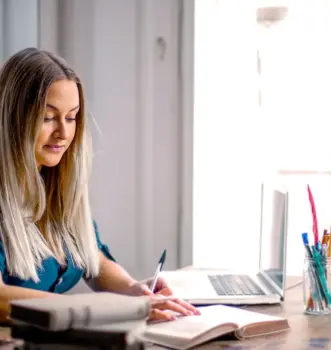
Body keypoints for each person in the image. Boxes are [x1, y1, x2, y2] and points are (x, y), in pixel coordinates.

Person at [0, 47, 198, 323]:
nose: (65, 133)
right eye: (48, 117)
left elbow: (92, 258)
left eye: (71, 117)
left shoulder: (56, 185)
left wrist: (134, 291)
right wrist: (107, 310)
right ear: (12, 119)